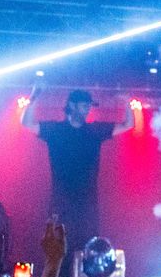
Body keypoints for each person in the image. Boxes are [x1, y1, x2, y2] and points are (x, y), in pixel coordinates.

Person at [21, 90, 122, 259]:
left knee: (88, 250)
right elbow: (27, 123)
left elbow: (128, 124)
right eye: (84, 106)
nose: (87, 110)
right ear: (72, 106)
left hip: (87, 205)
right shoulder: (56, 130)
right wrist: (34, 97)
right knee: (59, 249)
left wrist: (125, 102)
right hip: (62, 202)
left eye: (89, 106)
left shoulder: (93, 131)